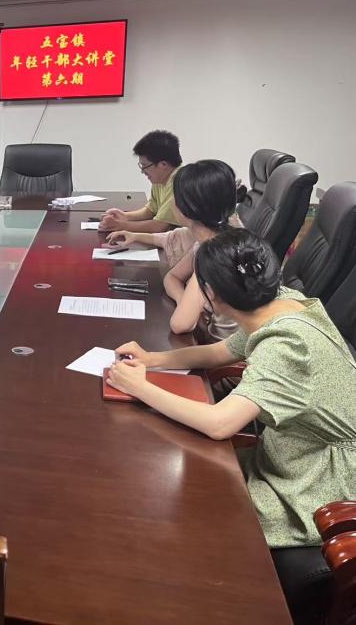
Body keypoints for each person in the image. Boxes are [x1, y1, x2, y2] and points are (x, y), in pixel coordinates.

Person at [107, 228, 356, 549]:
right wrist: (153, 359)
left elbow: (220, 424)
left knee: (177, 513)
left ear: (211, 293)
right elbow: (220, 352)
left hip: (319, 485)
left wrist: (140, 388)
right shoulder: (281, 302)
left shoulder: (286, 347)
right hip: (293, 452)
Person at [106, 159, 241, 339]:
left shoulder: (215, 254)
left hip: (222, 349)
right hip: (212, 340)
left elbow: (181, 324)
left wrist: (186, 305)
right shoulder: (213, 236)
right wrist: (183, 299)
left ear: (185, 208)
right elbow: (172, 277)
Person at [99, 130, 183, 233]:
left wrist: (120, 225)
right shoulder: (161, 178)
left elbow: (159, 226)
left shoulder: (180, 182)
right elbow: (151, 210)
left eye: (145, 166)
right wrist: (124, 216)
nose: (142, 171)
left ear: (163, 164)